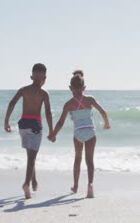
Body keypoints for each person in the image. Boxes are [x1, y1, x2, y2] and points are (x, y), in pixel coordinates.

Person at [49, 70, 110, 198]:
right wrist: (106, 124)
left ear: (70, 88)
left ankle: (75, 186)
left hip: (78, 134)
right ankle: (90, 185)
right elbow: (103, 112)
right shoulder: (90, 99)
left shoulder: (68, 104)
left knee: (77, 159)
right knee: (90, 161)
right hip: (90, 132)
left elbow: (60, 123)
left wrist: (54, 134)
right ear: (84, 88)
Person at [4, 63, 53, 199]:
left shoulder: (23, 90)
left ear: (31, 76)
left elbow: (12, 103)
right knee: (32, 157)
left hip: (23, 124)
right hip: (35, 125)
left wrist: (6, 121)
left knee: (30, 155)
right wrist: (52, 130)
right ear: (45, 78)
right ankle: (26, 183)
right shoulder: (44, 93)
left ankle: (34, 181)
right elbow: (48, 113)